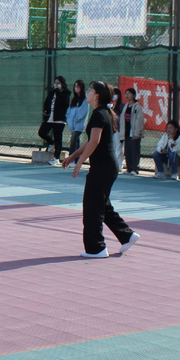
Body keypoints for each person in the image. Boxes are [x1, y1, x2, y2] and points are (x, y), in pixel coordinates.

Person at [62, 81, 139, 258]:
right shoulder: (103, 112)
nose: (87, 92)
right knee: (102, 205)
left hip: (103, 168)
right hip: (107, 167)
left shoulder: (99, 114)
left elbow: (94, 141)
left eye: (90, 90)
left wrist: (80, 162)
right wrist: (73, 156)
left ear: (96, 96)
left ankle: (96, 248)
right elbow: (90, 140)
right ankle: (127, 235)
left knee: (92, 208)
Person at [38, 76, 70, 165]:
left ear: (62, 84)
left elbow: (63, 103)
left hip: (59, 119)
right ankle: (51, 143)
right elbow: (47, 102)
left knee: (58, 138)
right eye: (55, 83)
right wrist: (46, 111)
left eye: (58, 83)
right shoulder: (52, 92)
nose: (56, 85)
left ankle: (56, 158)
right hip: (50, 118)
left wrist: (58, 91)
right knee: (42, 132)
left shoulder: (66, 93)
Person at [121, 88, 145, 175]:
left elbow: (139, 121)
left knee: (134, 151)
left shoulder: (137, 107)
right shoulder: (126, 107)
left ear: (134, 95)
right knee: (127, 151)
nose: (127, 95)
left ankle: (135, 169)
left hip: (134, 133)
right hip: (126, 132)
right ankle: (129, 168)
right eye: (126, 93)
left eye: (129, 93)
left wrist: (137, 133)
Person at [66, 80, 89, 157]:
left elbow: (83, 112)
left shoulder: (85, 99)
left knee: (73, 139)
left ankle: (71, 157)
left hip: (79, 124)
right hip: (72, 124)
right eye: (75, 86)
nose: (76, 88)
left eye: (78, 86)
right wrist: (69, 119)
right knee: (76, 141)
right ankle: (76, 158)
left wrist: (76, 119)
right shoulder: (74, 99)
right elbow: (69, 111)